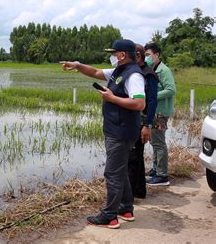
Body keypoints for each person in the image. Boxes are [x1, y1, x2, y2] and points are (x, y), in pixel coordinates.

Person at [61, 39, 146, 229]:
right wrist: (78, 65)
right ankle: (125, 209)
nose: (112, 56)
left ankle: (110, 215)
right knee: (120, 170)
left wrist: (112, 98)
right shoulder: (118, 72)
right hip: (116, 129)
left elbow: (140, 104)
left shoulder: (134, 76)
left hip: (121, 132)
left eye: (114, 53)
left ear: (122, 55)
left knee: (112, 173)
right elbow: (95, 72)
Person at [127, 44, 159, 198]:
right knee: (136, 156)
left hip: (141, 121)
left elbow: (152, 102)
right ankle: (139, 191)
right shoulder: (136, 72)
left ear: (137, 56)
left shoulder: (148, 74)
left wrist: (147, 125)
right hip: (133, 120)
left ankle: (130, 195)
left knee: (133, 158)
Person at [144, 42, 176, 186]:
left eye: (148, 55)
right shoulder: (153, 68)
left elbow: (170, 89)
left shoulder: (163, 70)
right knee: (154, 141)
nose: (146, 58)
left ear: (156, 55)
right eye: (145, 55)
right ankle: (156, 169)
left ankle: (162, 175)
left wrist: (152, 96)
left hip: (160, 112)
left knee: (158, 142)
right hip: (155, 111)